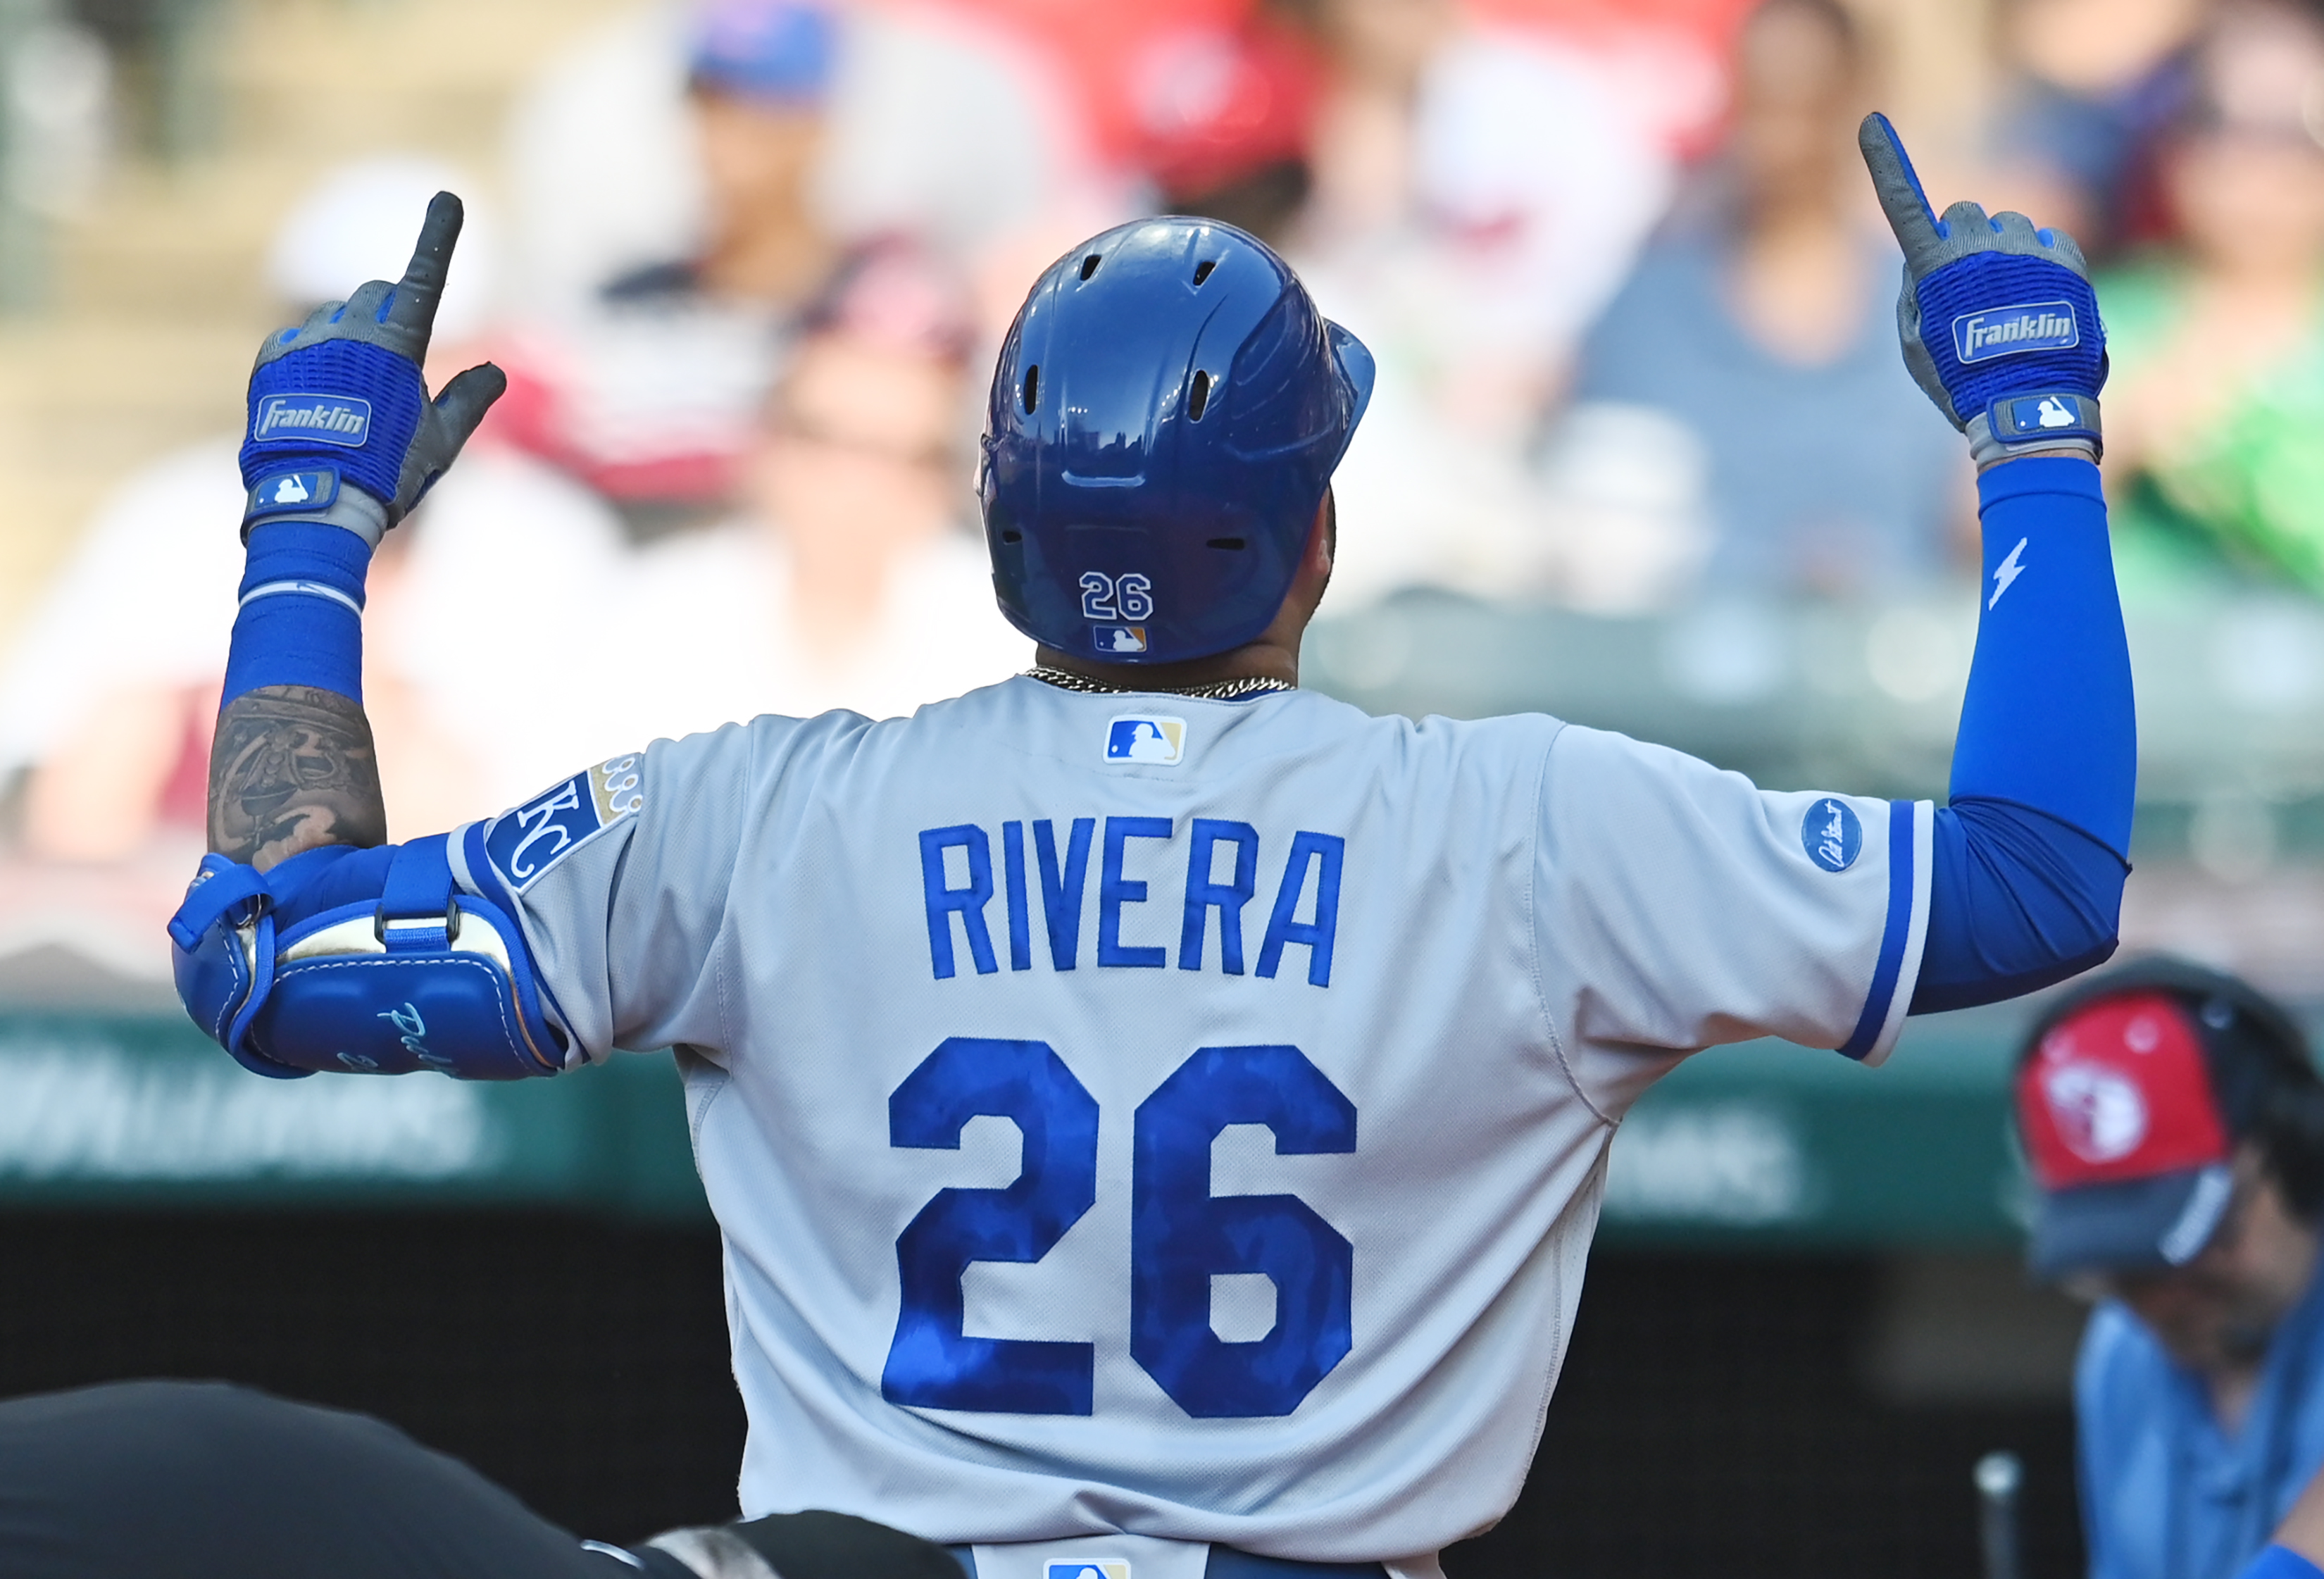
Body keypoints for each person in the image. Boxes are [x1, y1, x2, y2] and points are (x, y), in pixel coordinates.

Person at [144, 116, 2127, 1576]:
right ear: (1315, 538)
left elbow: (266, 958)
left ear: (1003, 527)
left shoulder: (752, 812)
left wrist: (312, 530)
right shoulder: (1527, 822)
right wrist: (2027, 430)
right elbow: (2038, 873)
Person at [1558, 0, 1966, 604]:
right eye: (1760, 102)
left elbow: (1967, 538)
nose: (1779, 141)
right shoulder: (1645, 317)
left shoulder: (1934, 320)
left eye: (1808, 106)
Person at [606, 242, 1027, 737]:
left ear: (949, 483)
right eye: (826, 440)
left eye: (894, 456)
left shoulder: (1008, 644)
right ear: (763, 446)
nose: (854, 486)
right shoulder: (653, 618)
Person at [2013, 959, 2324, 1579]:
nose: (2166, 1296)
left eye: (2206, 1237)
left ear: (2295, 1151)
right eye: (2129, 1265)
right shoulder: (2120, 1355)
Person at [2094, 0, 2324, 601]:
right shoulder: (2096, 321)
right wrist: (2112, 441)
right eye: (2220, 123)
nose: (2261, 165)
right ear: (2173, 148)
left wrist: (2260, 486)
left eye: (2300, 129)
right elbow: (1977, 539)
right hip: (2143, 682)